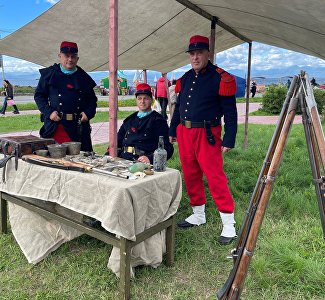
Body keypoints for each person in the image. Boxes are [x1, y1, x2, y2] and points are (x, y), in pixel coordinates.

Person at [169, 35, 238, 245]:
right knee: (190, 174)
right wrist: (173, 129)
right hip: (185, 133)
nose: (195, 57)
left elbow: (231, 113)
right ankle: (198, 214)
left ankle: (228, 223)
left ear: (208, 53)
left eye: (199, 53)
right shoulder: (186, 78)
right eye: (192, 54)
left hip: (208, 133)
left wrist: (229, 138)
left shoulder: (221, 78)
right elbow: (179, 109)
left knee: (215, 176)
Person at [34, 41, 97, 151]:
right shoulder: (49, 74)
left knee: (81, 161)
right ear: (60, 56)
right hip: (56, 125)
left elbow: (92, 100)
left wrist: (88, 113)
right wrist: (49, 112)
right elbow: (39, 96)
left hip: (79, 127)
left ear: (77, 59)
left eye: (73, 56)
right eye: (66, 56)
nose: (70, 59)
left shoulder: (83, 77)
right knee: (57, 160)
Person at [107, 83, 174, 164]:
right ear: (136, 101)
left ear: (151, 100)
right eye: (139, 98)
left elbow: (167, 148)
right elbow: (117, 141)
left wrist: (150, 158)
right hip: (123, 159)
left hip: (142, 163)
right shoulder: (130, 120)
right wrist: (107, 155)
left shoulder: (158, 121)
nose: (142, 101)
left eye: (145, 98)